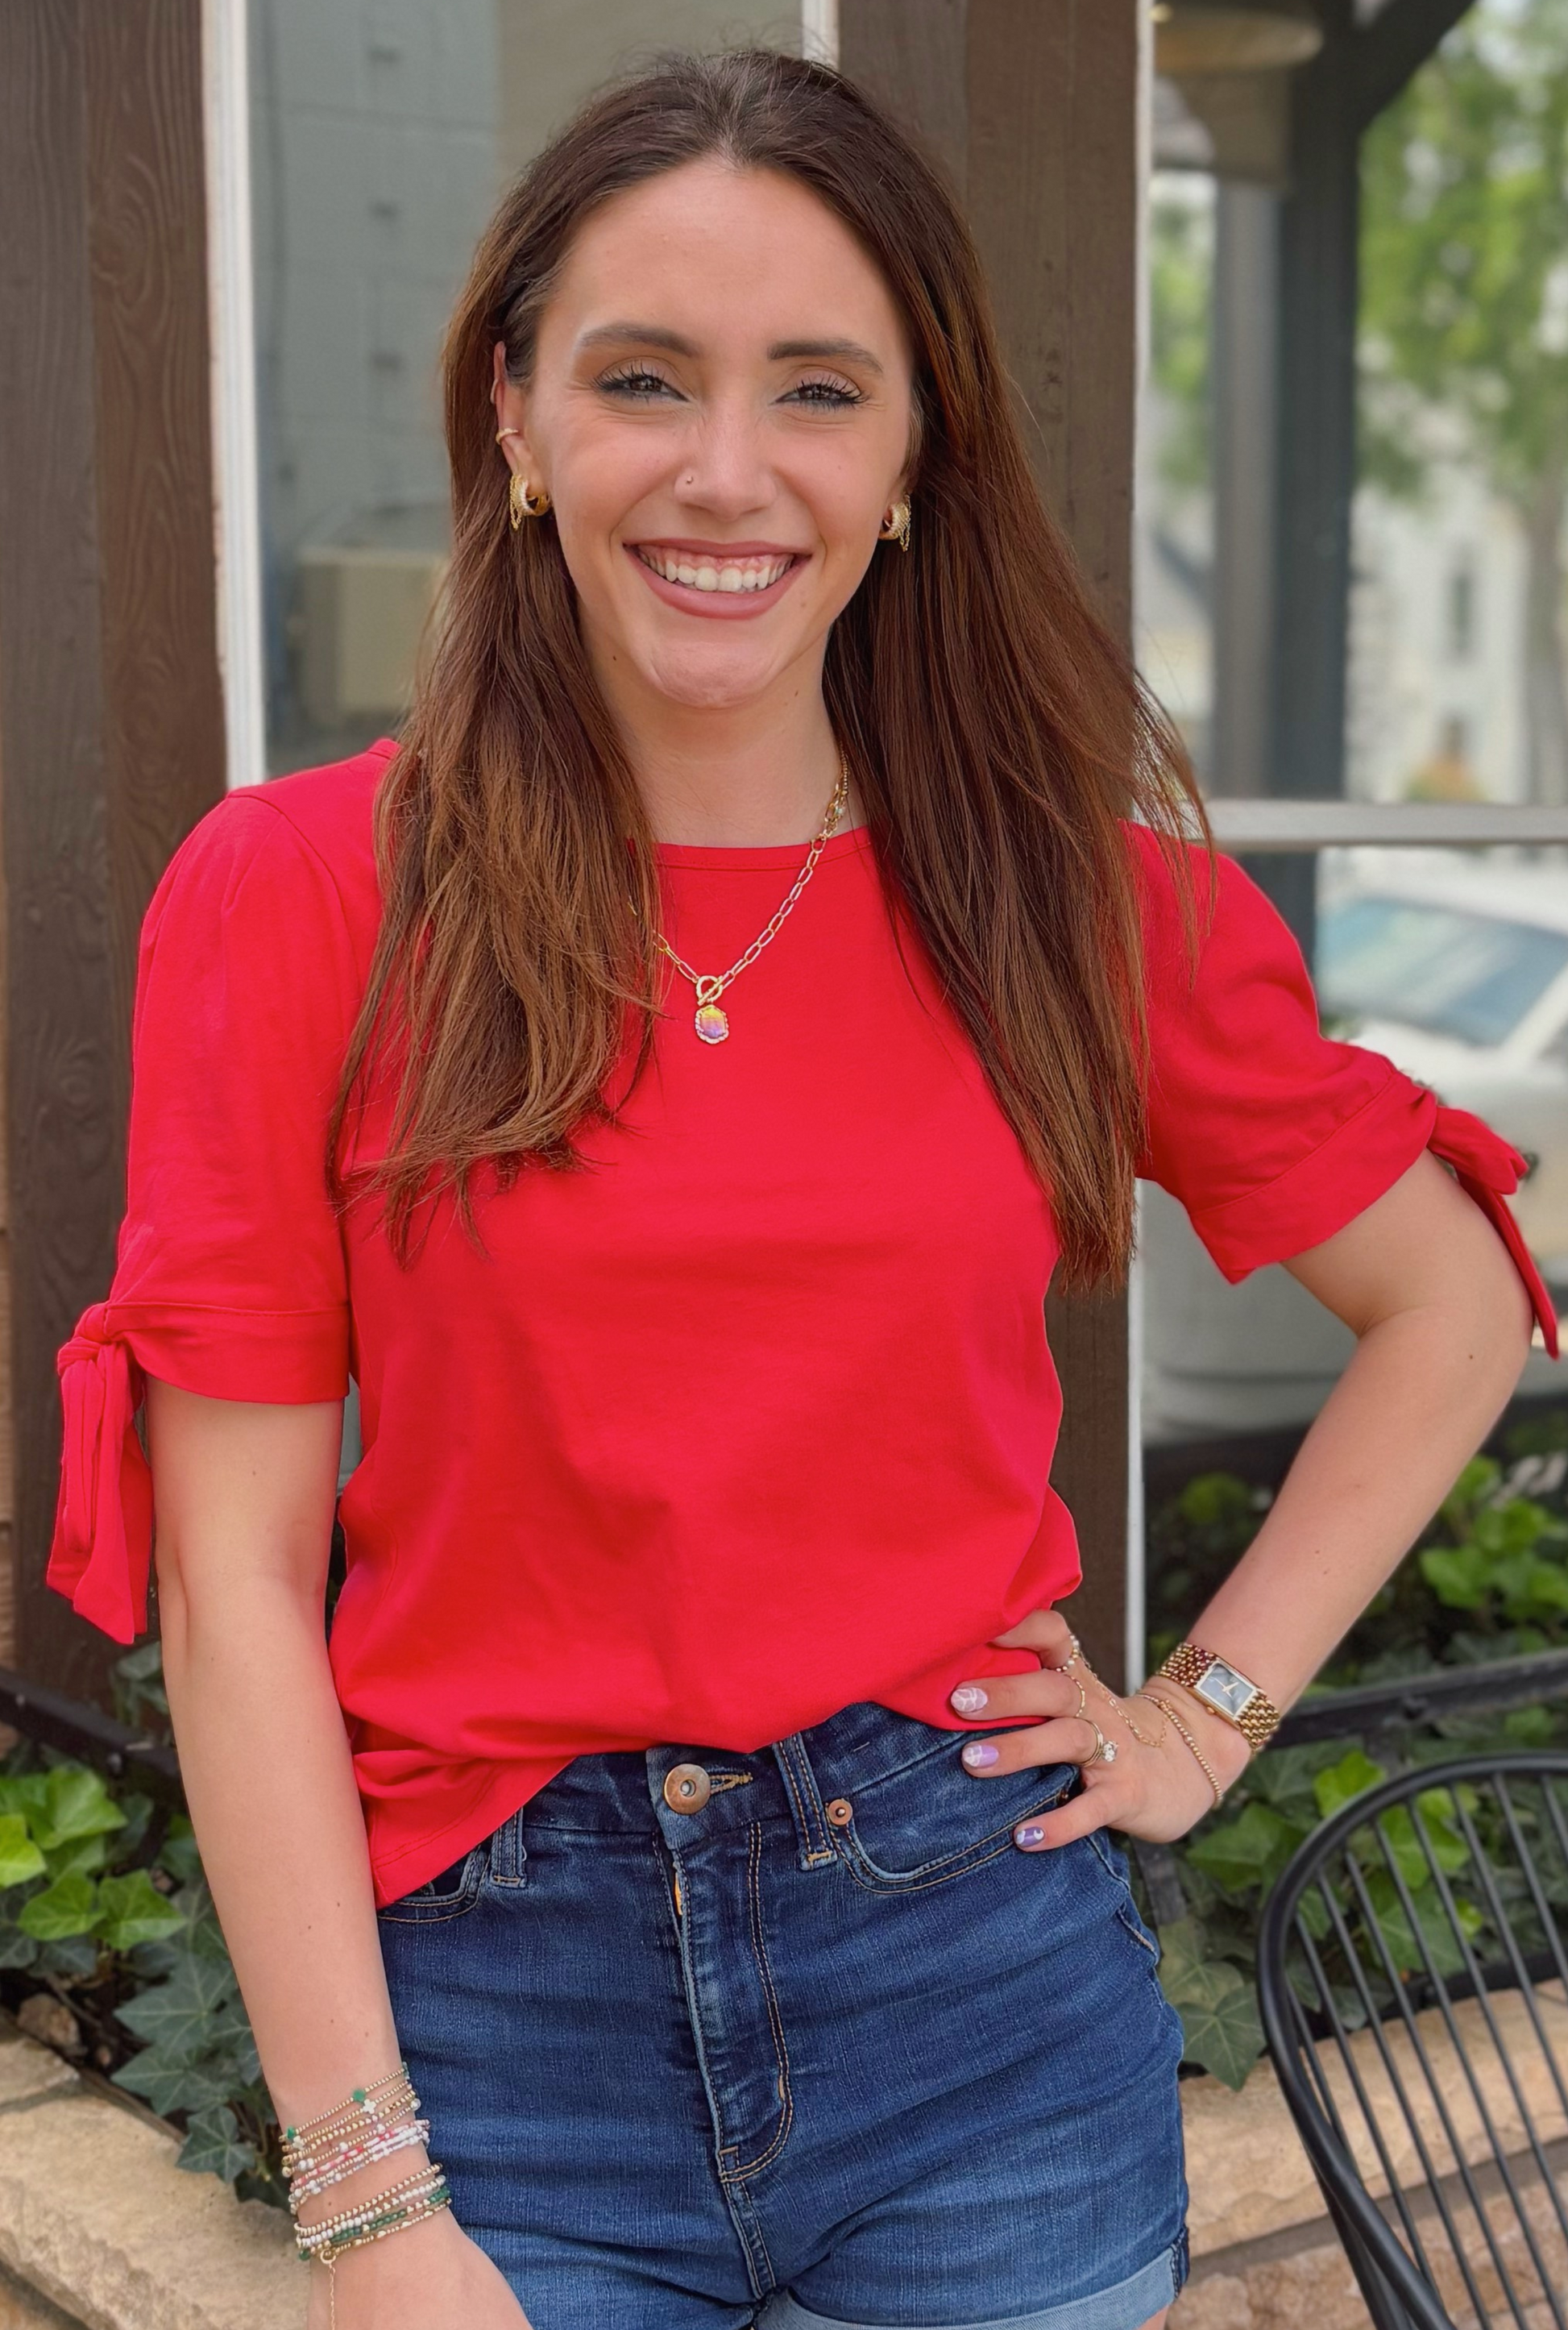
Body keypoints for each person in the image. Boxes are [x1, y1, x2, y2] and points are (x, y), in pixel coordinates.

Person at [48, 49, 1553, 2330]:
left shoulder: (1070, 907)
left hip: (982, 2013)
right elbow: (235, 1576)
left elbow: (1448, 1303)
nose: (727, 473)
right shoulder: (305, 896)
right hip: (491, 2032)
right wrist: (366, 2194)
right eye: (643, 376)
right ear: (521, 422)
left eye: (820, 390)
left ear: (916, 454)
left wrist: (1203, 1722)